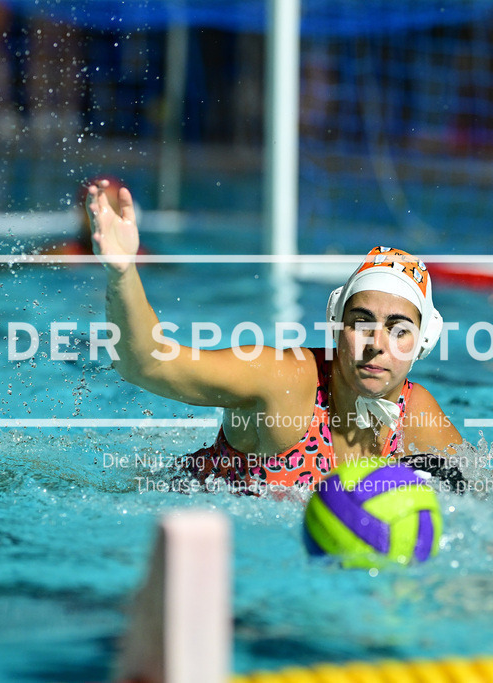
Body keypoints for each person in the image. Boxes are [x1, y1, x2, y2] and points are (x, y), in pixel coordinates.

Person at [87, 180, 465, 495]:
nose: (376, 344)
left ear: (423, 341)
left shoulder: (413, 412)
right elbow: (149, 363)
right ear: (336, 325)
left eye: (399, 329)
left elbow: (490, 490)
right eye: (361, 322)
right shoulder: (284, 381)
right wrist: (122, 275)